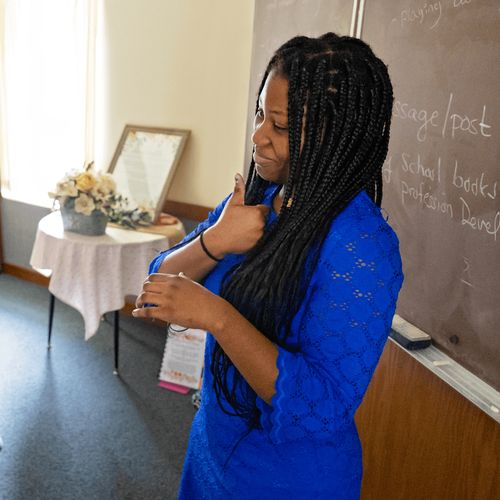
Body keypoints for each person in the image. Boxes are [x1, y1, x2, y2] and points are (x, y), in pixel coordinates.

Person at [133, 33, 404, 499]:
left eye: (278, 125)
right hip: (213, 442)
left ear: (331, 137)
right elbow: (157, 286)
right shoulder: (260, 195)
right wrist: (214, 241)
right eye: (260, 114)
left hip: (286, 478)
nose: (257, 135)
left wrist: (216, 316)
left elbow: (322, 408)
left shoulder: (362, 246)